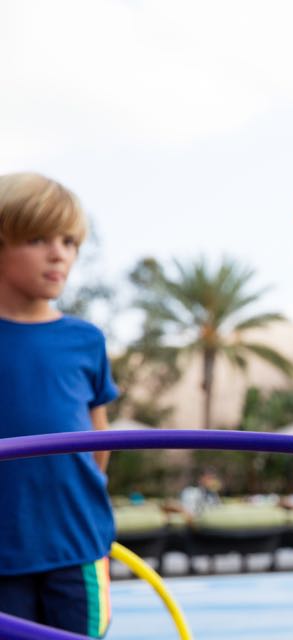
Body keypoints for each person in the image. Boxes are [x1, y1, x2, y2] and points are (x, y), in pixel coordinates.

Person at [0, 172, 119, 638]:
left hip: (76, 543)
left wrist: (80, 506)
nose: (59, 254)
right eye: (38, 238)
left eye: (70, 242)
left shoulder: (84, 340)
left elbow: (98, 438)